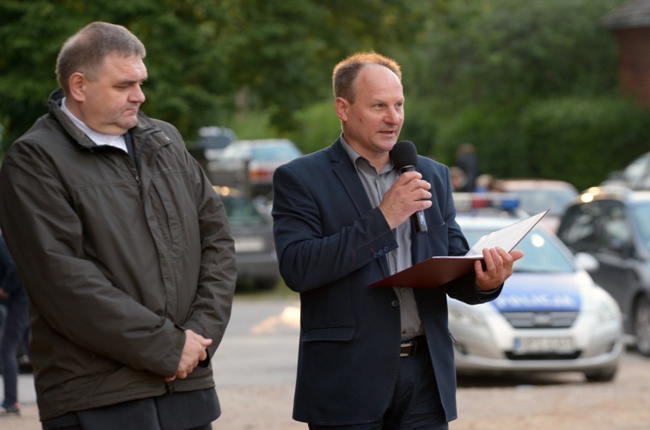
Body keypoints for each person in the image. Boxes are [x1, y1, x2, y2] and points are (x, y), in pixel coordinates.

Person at [0, 22, 237, 430]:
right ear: (79, 85)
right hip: (98, 398)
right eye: (124, 85)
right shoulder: (34, 160)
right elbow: (63, 282)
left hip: (187, 389)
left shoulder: (166, 141)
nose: (140, 96)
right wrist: (166, 347)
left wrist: (196, 340)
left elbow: (217, 241)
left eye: (141, 82)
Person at [272, 52, 523, 429]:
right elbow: (299, 268)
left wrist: (485, 281)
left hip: (425, 375)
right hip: (347, 378)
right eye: (378, 106)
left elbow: (453, 262)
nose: (394, 118)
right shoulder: (301, 179)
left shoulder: (431, 174)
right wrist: (385, 218)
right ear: (343, 108)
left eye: (399, 105)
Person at [0, 234, 30, 416]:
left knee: (6, 347)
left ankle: (12, 402)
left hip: (20, 300)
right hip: (19, 300)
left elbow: (14, 268)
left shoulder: (2, 243)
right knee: (31, 346)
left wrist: (5, 288)